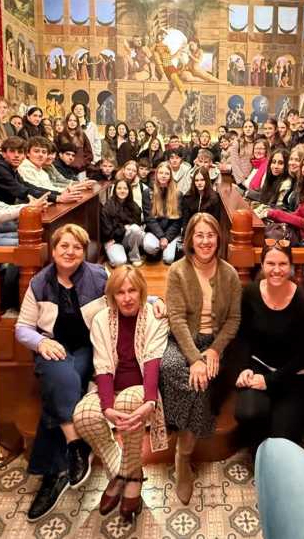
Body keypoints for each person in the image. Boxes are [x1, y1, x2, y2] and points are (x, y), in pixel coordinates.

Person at [14, 225, 109, 521]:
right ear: (53, 250)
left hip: (87, 348)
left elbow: (127, 295)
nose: (70, 252)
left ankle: (52, 476)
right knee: (61, 379)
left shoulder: (99, 276)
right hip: (53, 347)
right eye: (64, 246)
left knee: (58, 391)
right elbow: (22, 328)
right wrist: (40, 342)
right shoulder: (39, 283)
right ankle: (76, 445)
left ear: (84, 251)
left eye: (77, 247)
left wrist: (156, 303)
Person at [72, 266, 170, 522]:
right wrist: (106, 406)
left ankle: (127, 480)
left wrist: (150, 401)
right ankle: (127, 473)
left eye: (132, 291)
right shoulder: (101, 320)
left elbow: (152, 361)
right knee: (83, 416)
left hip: (142, 389)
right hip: (110, 387)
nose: (127, 298)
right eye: (120, 292)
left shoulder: (155, 317)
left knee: (127, 403)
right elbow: (103, 365)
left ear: (142, 292)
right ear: (112, 296)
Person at [160, 213, 242, 504]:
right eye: (199, 235)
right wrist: (195, 359)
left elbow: (233, 320)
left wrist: (214, 351)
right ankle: (184, 444)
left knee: (205, 377)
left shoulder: (229, 274)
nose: (205, 241)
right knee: (170, 366)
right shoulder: (178, 271)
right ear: (190, 240)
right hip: (184, 339)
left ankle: (183, 454)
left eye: (211, 235)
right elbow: (177, 319)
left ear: (218, 238)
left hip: (214, 344)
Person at [233, 240, 304, 447]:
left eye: (283, 264)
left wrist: (270, 381)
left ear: (291, 266)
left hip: (293, 376)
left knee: (283, 441)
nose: (276, 270)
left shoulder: (303, 301)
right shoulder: (250, 293)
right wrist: (244, 368)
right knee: (247, 413)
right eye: (270, 263)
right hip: (260, 367)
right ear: (262, 265)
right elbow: (243, 337)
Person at [0, 136, 67, 205]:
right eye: (12, 151)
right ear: (4, 154)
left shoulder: (11, 168)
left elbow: (28, 186)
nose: (16, 155)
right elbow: (21, 190)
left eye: (20, 152)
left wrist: (59, 194)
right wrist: (57, 198)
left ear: (24, 156)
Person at [143, 163, 182, 265]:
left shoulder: (177, 194)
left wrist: (167, 238)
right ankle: (158, 248)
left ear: (170, 176)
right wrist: (161, 237)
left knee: (169, 259)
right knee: (149, 246)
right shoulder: (148, 192)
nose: (163, 176)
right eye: (161, 173)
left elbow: (177, 222)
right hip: (155, 231)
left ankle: (163, 248)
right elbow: (149, 219)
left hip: (171, 233)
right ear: (156, 174)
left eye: (166, 173)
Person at [101, 178, 145, 267]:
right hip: (113, 241)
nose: (122, 191)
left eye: (125, 188)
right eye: (119, 188)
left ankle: (134, 257)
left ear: (129, 191)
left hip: (126, 239)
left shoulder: (134, 206)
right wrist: (124, 227)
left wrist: (122, 228)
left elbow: (137, 225)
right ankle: (120, 254)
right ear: (115, 190)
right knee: (120, 262)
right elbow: (107, 232)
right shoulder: (107, 207)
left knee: (135, 229)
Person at [180, 167, 221, 232]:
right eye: (196, 180)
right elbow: (185, 221)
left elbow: (215, 221)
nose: (199, 183)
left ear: (207, 180)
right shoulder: (188, 197)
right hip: (192, 230)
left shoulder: (214, 198)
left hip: (208, 230)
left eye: (202, 180)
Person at [224, 120, 257, 185]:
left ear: (254, 129)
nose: (248, 129)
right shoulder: (237, 143)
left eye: (250, 127)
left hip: (252, 178)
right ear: (243, 129)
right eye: (245, 127)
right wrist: (242, 180)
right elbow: (234, 163)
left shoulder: (256, 143)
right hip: (239, 179)